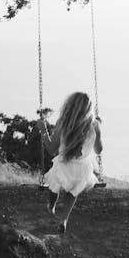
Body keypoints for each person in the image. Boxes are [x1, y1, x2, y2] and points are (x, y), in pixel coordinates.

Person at [39, 92, 102, 233]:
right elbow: (99, 150)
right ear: (89, 108)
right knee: (73, 192)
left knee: (54, 184)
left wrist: (43, 130)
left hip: (63, 165)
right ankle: (64, 219)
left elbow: (50, 148)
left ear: (70, 105)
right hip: (83, 169)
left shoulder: (63, 123)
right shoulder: (95, 125)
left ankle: (51, 205)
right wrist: (97, 135)